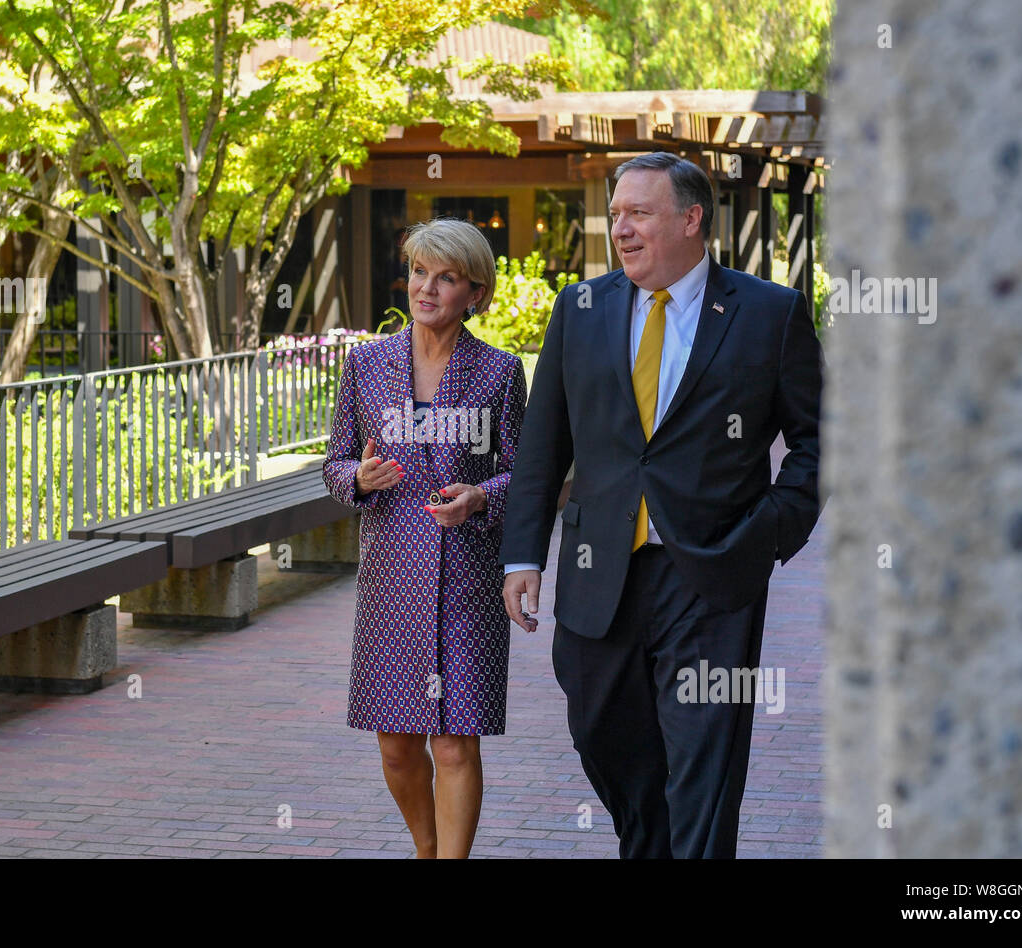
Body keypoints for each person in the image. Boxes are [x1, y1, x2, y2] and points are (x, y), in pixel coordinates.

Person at [500, 152, 824, 858]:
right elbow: (541, 447)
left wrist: (769, 532)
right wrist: (524, 554)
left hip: (712, 576)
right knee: (603, 736)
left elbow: (817, 442)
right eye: (616, 214)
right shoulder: (579, 310)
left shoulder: (768, 314)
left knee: (703, 769)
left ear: (690, 219)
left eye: (639, 213)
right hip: (598, 574)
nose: (621, 228)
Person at [323, 217, 527, 858]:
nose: (427, 288)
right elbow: (331, 466)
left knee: (454, 741)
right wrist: (357, 474)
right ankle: (426, 848)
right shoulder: (367, 365)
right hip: (392, 583)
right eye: (418, 272)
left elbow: (524, 474)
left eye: (446, 277)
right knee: (397, 742)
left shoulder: (498, 372)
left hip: (467, 578)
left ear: (475, 293)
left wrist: (480, 497)